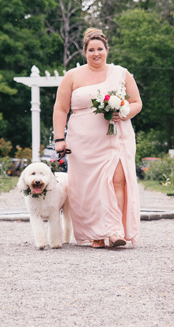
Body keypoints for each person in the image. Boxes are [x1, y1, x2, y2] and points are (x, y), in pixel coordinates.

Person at [52, 28, 143, 248]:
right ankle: (96, 234)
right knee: (87, 186)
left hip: (116, 137)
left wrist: (123, 111)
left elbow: (137, 103)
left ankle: (115, 231)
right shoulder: (72, 76)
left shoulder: (121, 74)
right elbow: (60, 109)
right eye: (91, 50)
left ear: (106, 50)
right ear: (85, 52)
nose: (96, 53)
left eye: (99, 49)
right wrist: (59, 139)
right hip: (82, 141)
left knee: (117, 180)